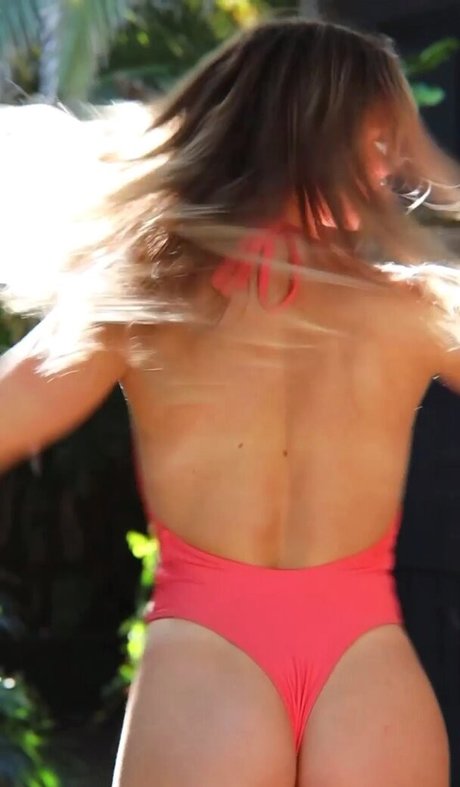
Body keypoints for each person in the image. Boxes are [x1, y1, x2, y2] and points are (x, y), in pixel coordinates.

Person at [1, 17, 460, 787]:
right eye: (379, 141)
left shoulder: (141, 304)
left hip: (207, 670)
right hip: (368, 675)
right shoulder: (418, 311)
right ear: (315, 141)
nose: (391, 169)